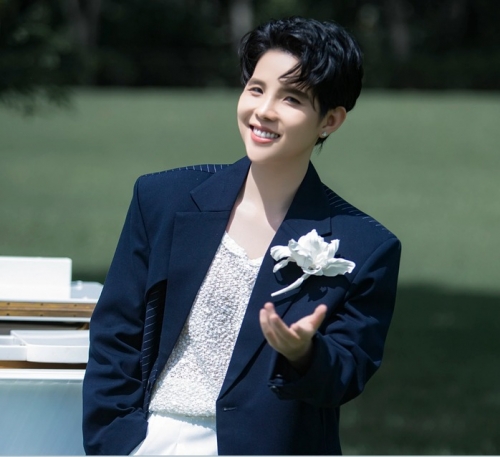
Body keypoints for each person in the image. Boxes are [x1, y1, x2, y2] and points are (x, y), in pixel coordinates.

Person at [82, 16, 401, 455]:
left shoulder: (364, 246)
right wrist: (116, 442)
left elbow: (346, 375)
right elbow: (116, 333)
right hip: (152, 441)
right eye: (256, 89)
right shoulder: (162, 200)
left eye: (291, 98)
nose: (264, 110)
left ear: (330, 120)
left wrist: (303, 354)